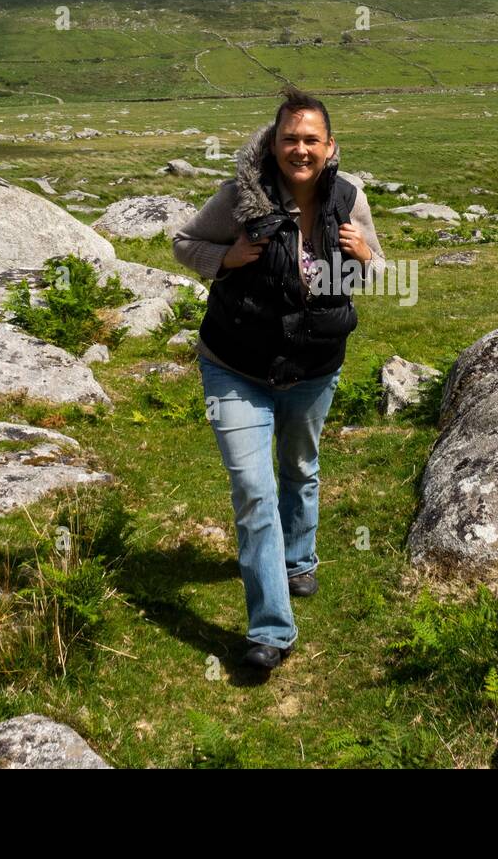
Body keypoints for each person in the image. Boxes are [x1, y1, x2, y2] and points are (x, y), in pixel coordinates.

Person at [172, 87, 386, 671]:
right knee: (254, 488)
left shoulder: (349, 197)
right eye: (289, 138)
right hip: (234, 366)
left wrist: (365, 253)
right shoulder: (242, 199)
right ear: (273, 143)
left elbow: (380, 270)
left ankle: (299, 559)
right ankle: (271, 628)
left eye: (310, 139)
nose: (299, 148)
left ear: (329, 147)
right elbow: (183, 241)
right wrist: (227, 259)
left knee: (299, 468)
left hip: (314, 368)